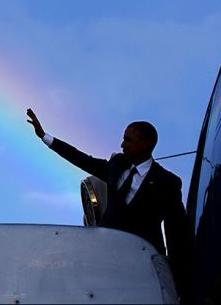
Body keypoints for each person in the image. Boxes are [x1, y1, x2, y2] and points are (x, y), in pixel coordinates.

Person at [26, 108, 191, 297]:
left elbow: (178, 237)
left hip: (142, 267)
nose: (122, 144)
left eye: (128, 140)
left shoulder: (167, 183)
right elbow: (82, 159)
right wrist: (45, 137)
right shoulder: (117, 165)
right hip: (106, 260)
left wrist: (181, 287)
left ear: (145, 143)